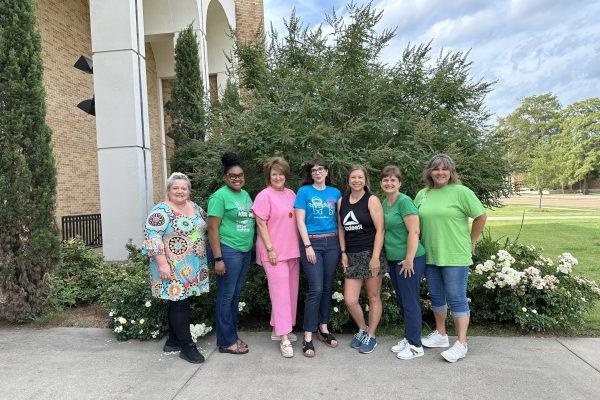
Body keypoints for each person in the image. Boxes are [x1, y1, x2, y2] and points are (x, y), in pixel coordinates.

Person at [415, 154, 487, 363]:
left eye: (444, 169)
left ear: (451, 171)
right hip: (430, 255)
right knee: (436, 297)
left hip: (455, 255)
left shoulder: (461, 192)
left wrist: (472, 240)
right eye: (436, 169)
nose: (440, 173)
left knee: (456, 298)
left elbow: (481, 216)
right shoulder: (423, 194)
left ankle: (461, 343)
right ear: (429, 172)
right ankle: (441, 335)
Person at [142, 172, 208, 364]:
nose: (180, 191)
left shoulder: (195, 207)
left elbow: (207, 226)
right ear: (169, 190)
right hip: (171, 265)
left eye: (184, 188)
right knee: (179, 302)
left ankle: (173, 341)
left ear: (189, 191)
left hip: (192, 265)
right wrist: (162, 264)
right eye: (175, 188)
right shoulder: (160, 211)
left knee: (178, 301)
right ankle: (187, 347)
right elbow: (152, 237)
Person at [252, 157, 300, 358]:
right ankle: (284, 338)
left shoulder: (291, 194)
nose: (278, 177)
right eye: (274, 174)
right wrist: (270, 249)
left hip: (292, 251)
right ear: (269, 176)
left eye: (281, 173)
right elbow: (261, 224)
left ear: (286, 175)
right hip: (274, 253)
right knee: (279, 294)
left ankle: (279, 327)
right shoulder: (264, 195)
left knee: (290, 293)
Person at [208, 153, 255, 355]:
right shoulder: (219, 196)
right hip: (228, 251)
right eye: (232, 176)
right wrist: (218, 259)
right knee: (227, 297)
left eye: (240, 175)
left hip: (244, 252)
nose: (237, 178)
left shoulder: (245, 194)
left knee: (234, 296)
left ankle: (231, 335)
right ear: (225, 177)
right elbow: (212, 229)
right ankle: (226, 342)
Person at [294, 159, 342, 357]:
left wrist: (343, 248)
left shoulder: (335, 193)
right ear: (311, 174)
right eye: (314, 171)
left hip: (332, 243)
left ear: (326, 172)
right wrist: (307, 246)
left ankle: (323, 328)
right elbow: (300, 221)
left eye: (320, 169)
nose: (317, 173)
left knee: (327, 288)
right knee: (316, 288)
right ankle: (308, 335)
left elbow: (340, 222)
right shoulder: (304, 192)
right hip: (312, 243)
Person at [380, 166, 427, 360]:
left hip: (409, 260)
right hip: (394, 259)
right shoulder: (385, 202)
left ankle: (416, 345)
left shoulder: (405, 202)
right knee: (403, 301)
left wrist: (408, 259)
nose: (389, 183)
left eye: (393, 180)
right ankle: (409, 338)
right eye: (385, 180)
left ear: (400, 183)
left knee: (410, 302)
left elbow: (414, 232)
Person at [338, 165, 386, 354]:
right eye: (353, 177)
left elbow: (380, 230)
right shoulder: (342, 201)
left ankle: (372, 335)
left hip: (371, 254)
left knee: (373, 297)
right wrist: (343, 252)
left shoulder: (372, 200)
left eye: (360, 177)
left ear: (365, 180)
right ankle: (363, 329)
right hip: (351, 255)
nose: (356, 180)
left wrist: (375, 257)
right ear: (348, 180)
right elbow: (341, 228)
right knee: (350, 300)